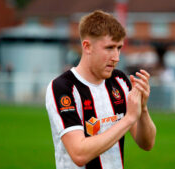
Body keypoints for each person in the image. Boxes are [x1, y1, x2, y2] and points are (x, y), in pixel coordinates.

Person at [45, 10, 156, 169]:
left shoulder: (120, 81)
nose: (116, 57)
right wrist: (129, 118)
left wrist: (143, 109)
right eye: (109, 47)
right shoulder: (63, 87)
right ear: (87, 46)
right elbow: (79, 154)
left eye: (119, 48)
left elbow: (147, 143)